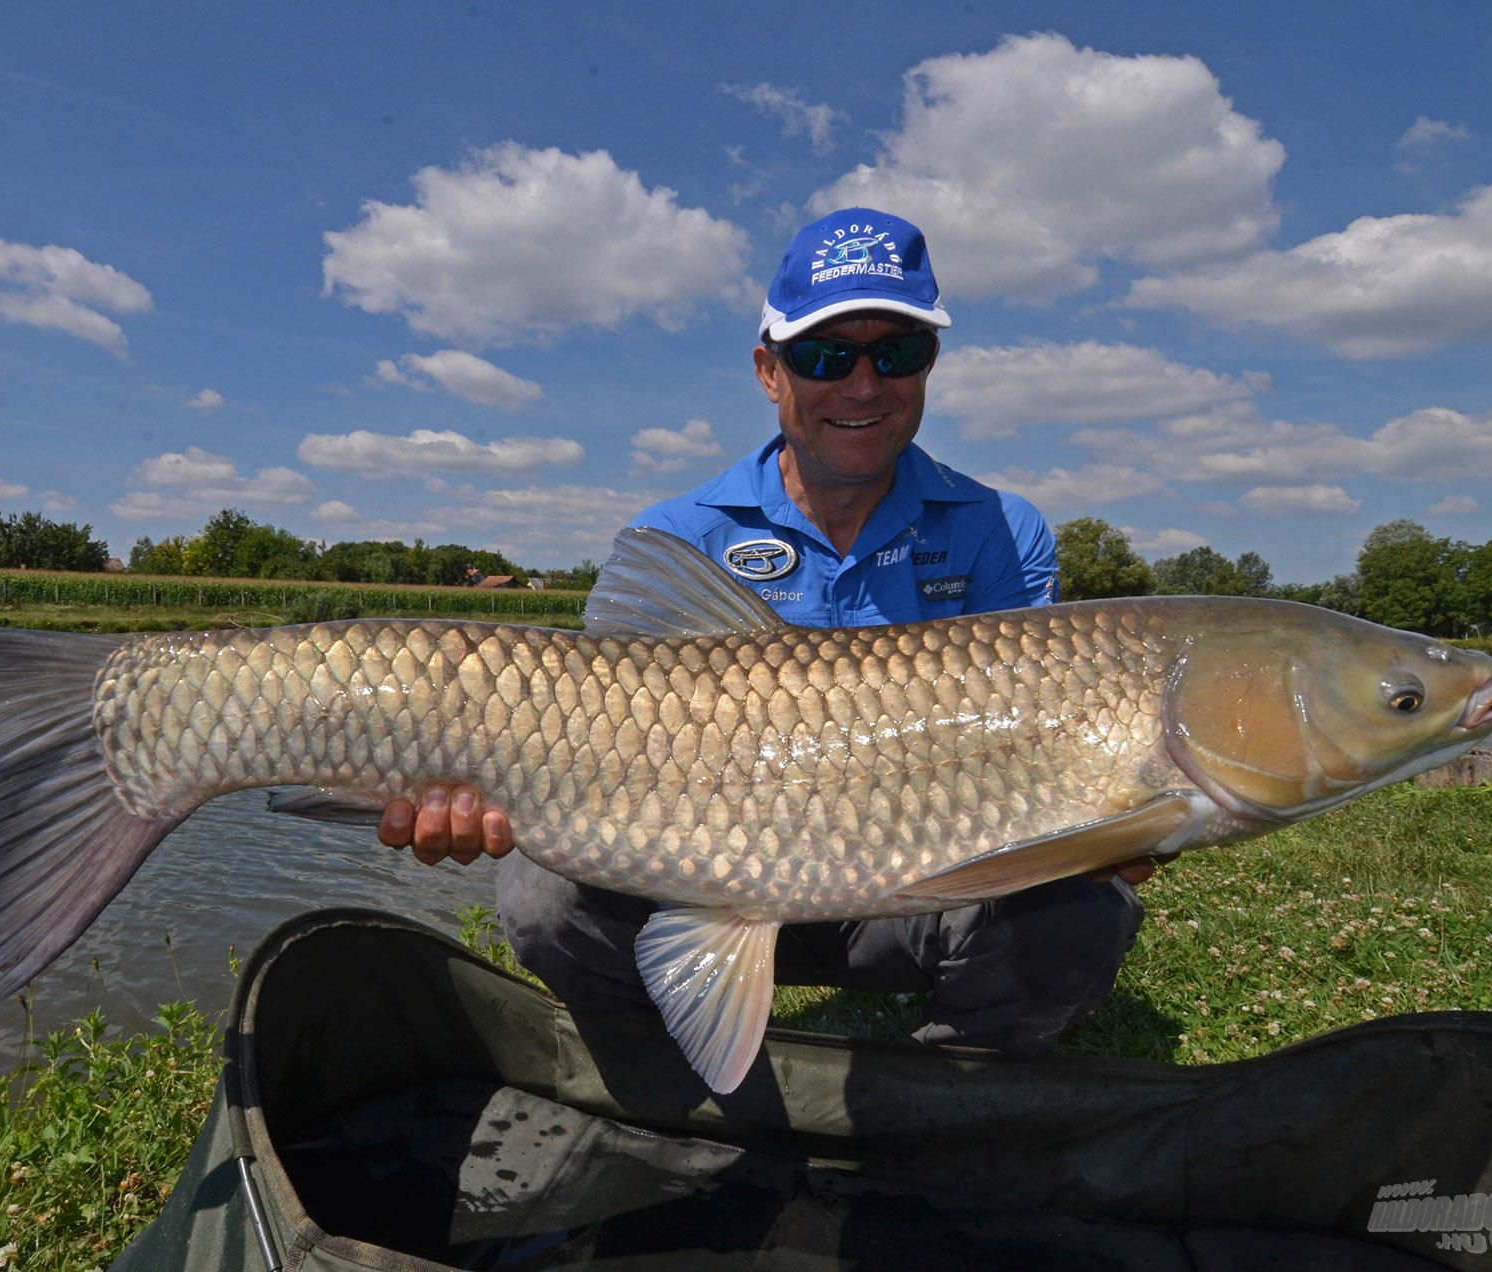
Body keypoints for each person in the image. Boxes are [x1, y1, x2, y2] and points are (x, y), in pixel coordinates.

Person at [377, 208, 1154, 1057]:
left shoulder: (1001, 531)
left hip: (913, 879)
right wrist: (467, 793)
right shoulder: (676, 536)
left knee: (1079, 911)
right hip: (693, 870)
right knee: (540, 896)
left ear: (929, 365)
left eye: (896, 352)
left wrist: (1116, 810)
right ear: (768, 370)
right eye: (825, 356)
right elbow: (585, 740)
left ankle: (940, 1088)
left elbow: (1042, 739)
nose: (863, 386)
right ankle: (675, 1089)